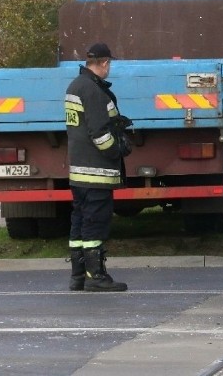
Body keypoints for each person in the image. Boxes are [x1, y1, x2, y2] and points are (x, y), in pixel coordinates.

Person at [65, 43, 132, 292]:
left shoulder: (75, 86)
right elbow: (99, 133)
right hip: (97, 171)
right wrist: (118, 150)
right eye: (109, 64)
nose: (109, 68)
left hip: (79, 171)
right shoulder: (93, 91)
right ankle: (97, 277)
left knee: (79, 222)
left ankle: (77, 276)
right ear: (104, 62)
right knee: (95, 224)